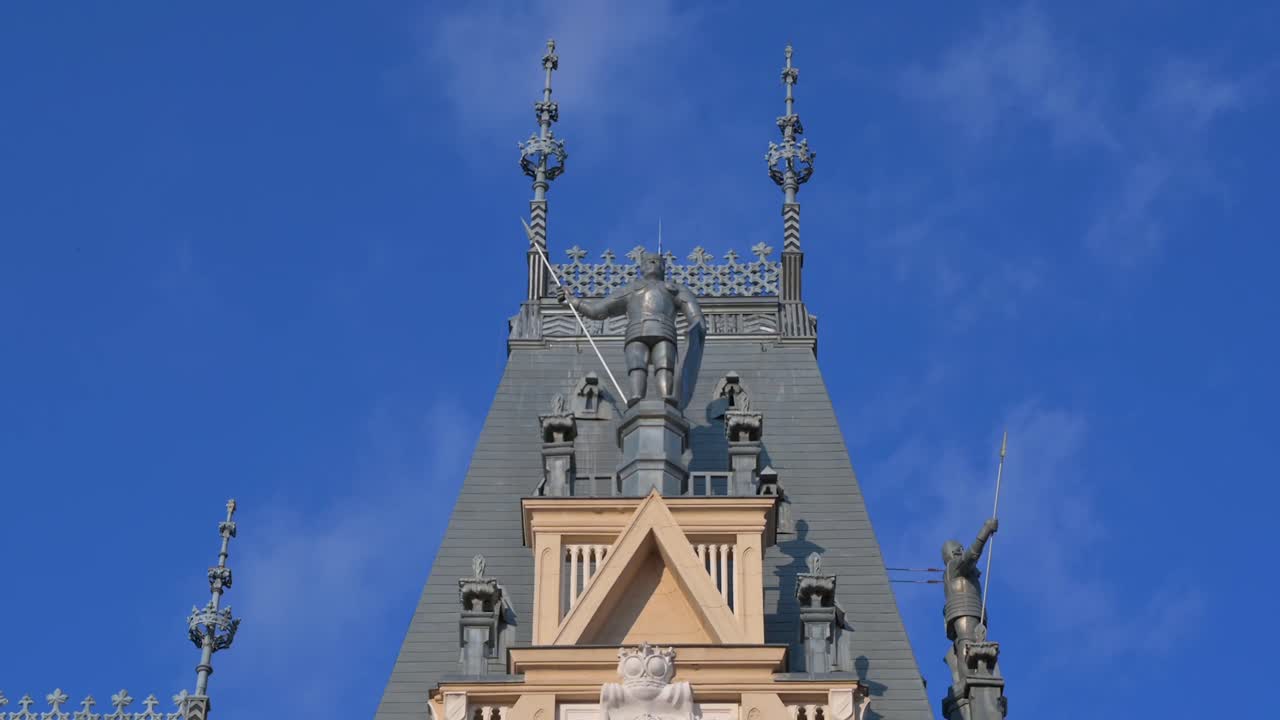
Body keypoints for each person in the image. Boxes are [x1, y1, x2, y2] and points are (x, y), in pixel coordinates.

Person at [559, 252, 703, 405]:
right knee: (637, 365)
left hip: (664, 331)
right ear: (641, 267)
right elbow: (598, 311)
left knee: (665, 365)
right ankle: (636, 397)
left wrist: (697, 326)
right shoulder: (631, 289)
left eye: (656, 261)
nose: (653, 263)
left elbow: (695, 316)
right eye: (649, 261)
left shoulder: (675, 289)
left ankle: (667, 398)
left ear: (663, 267)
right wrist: (574, 302)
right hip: (636, 331)